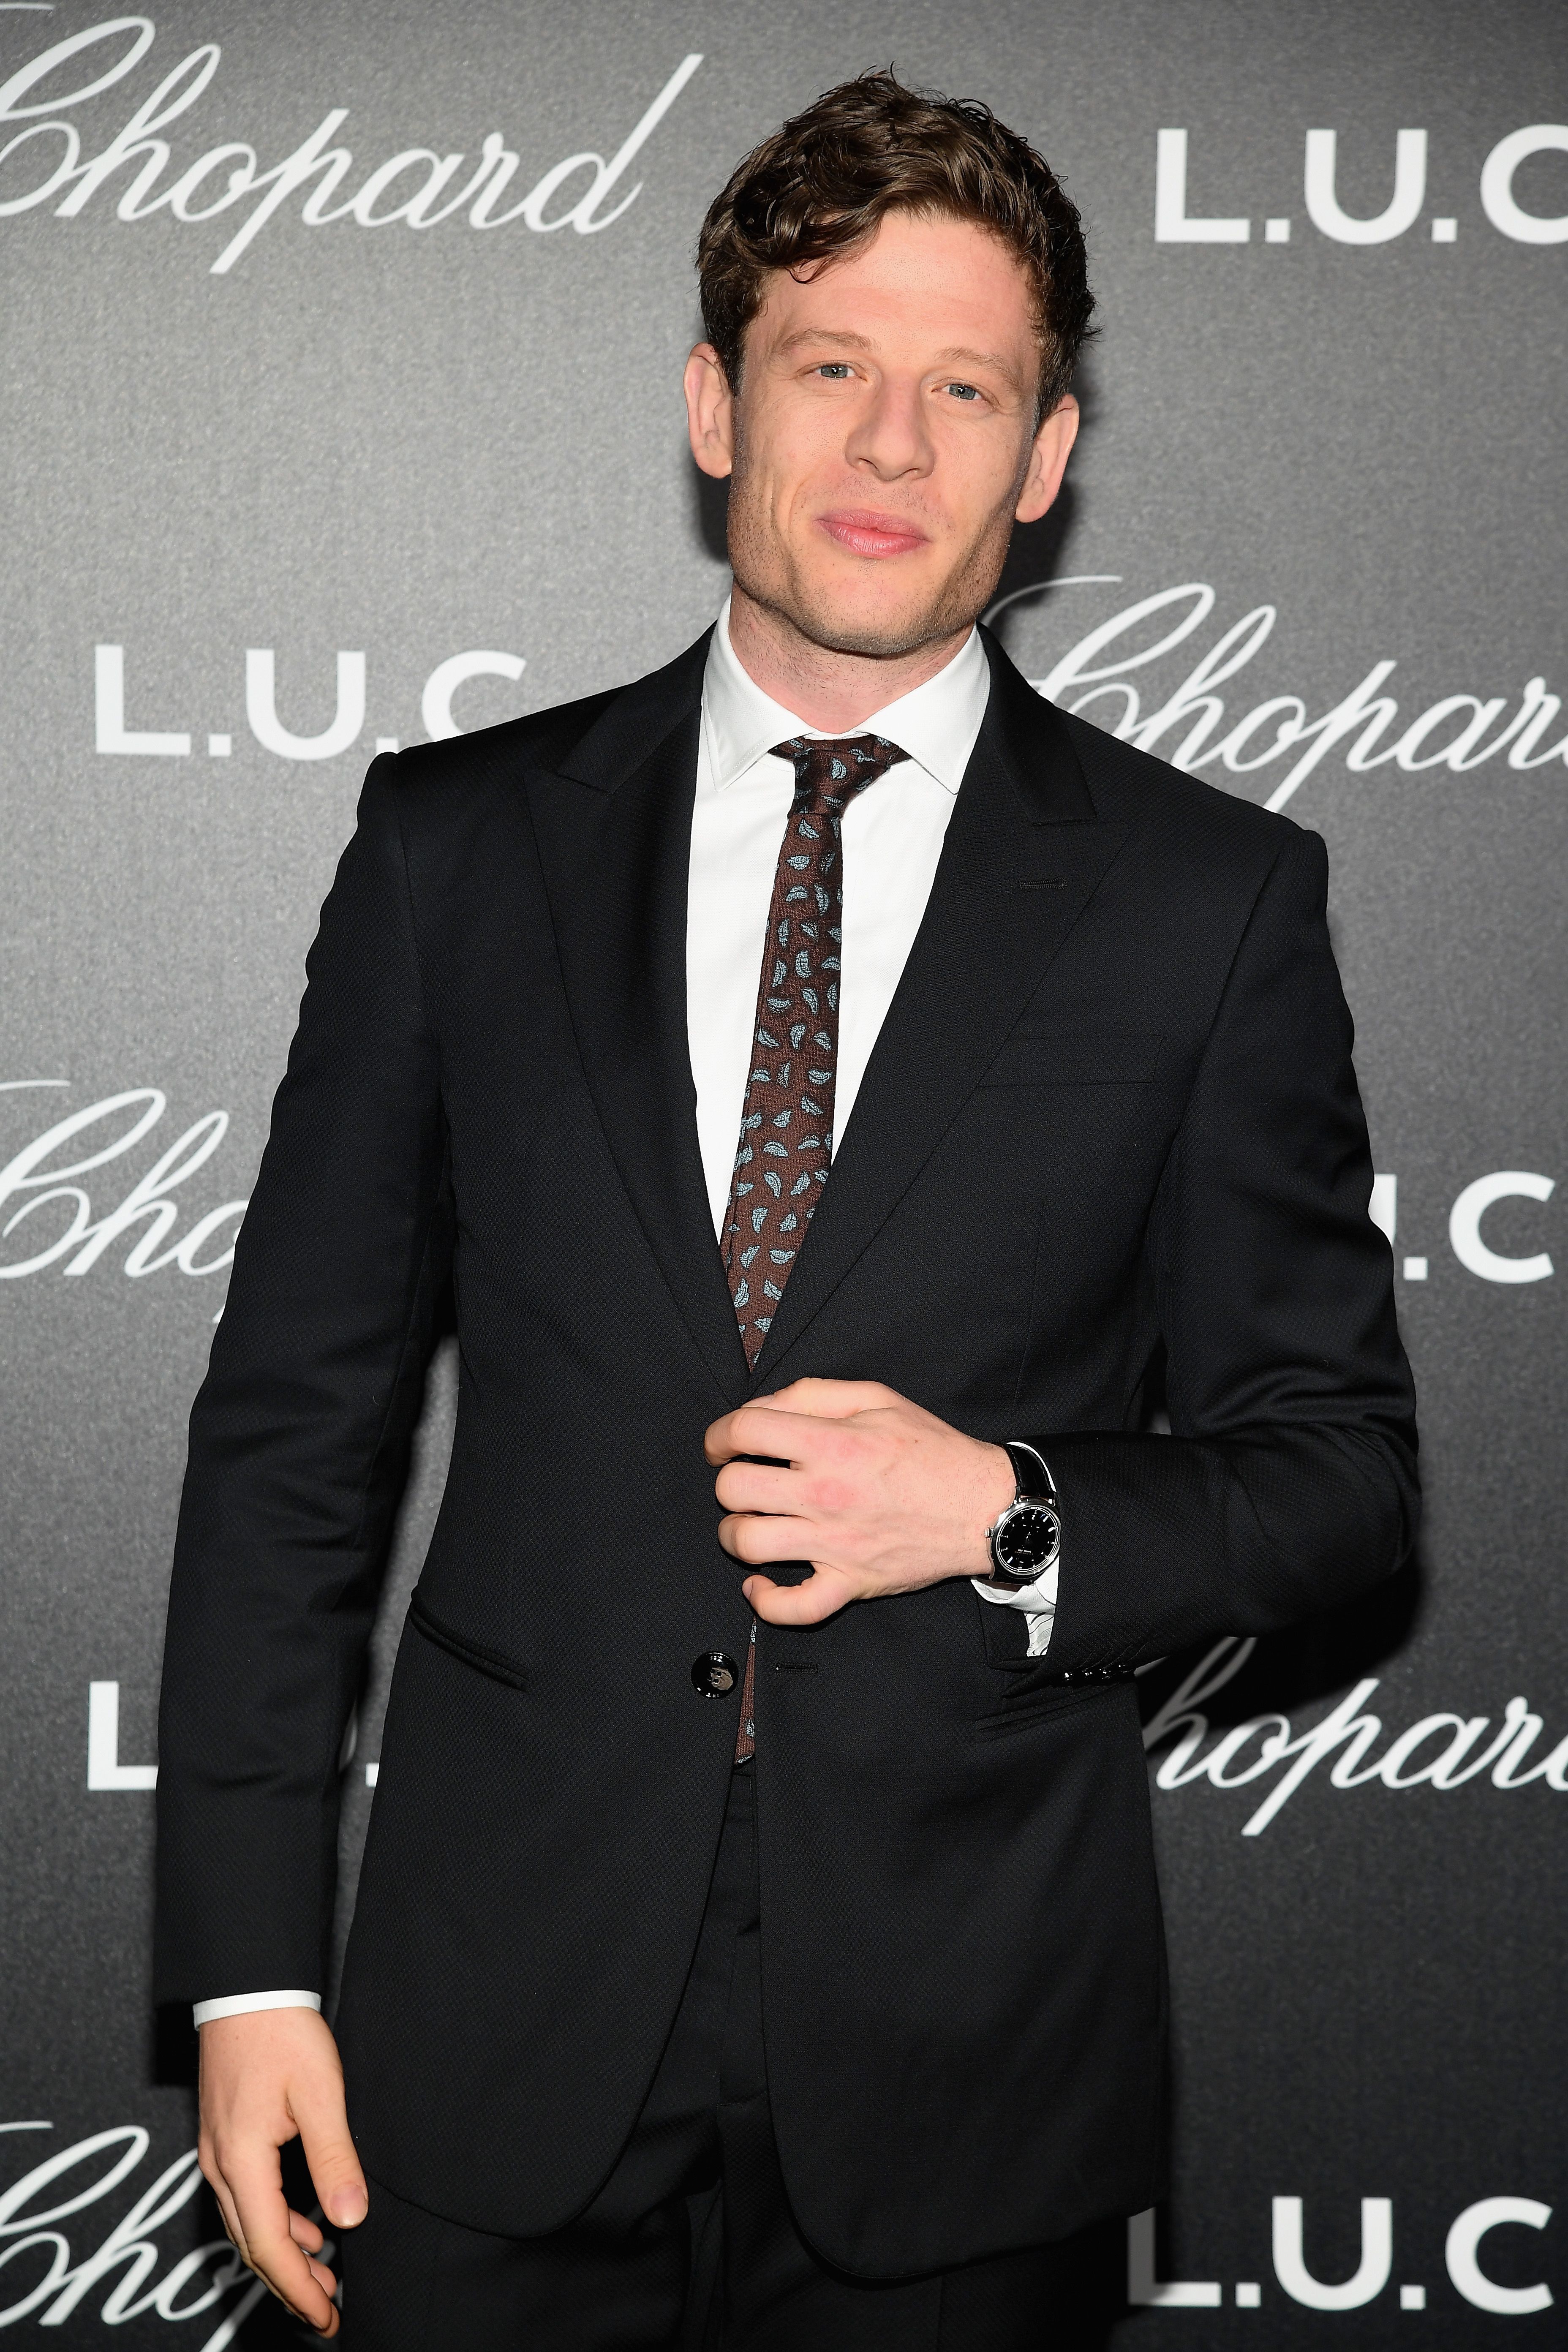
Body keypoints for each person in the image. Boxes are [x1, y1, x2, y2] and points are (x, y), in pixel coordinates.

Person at [155, 69, 1418, 2351]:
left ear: (1046, 464)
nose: (894, 446)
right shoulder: (462, 847)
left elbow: (1339, 1492)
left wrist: (1006, 1512)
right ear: (716, 405)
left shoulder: (1213, 902)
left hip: (972, 2056)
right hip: (485, 2027)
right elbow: (291, 1437)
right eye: (831, 364)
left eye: (969, 389)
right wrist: (248, 1970)